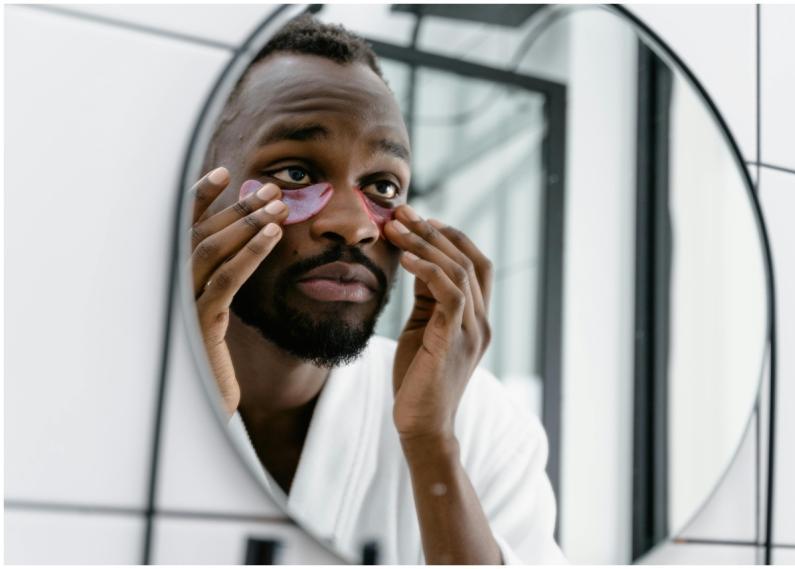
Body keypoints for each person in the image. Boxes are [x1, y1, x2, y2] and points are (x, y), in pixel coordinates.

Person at [189, 13, 566, 565]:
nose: (356, 224)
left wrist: (432, 443)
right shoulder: (102, 400)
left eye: (382, 185)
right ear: (199, 197)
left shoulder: (479, 421)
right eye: (295, 173)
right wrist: (193, 418)